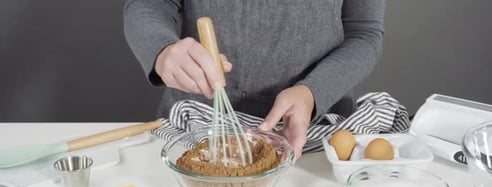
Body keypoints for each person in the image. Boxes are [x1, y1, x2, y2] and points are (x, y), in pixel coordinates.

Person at [124, 0, 385, 160]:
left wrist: (311, 92)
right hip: (195, 134)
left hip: (316, 140)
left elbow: (363, 34)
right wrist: (162, 50)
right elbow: (147, 3)